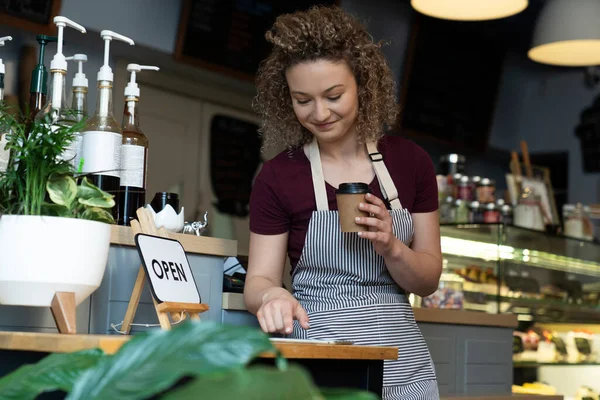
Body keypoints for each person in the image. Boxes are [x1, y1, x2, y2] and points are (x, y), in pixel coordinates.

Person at [244, 5, 442, 399]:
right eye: (303, 100)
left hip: (403, 366)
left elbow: (429, 280)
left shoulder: (411, 163)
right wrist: (272, 295)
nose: (319, 113)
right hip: (317, 362)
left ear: (362, 85)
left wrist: (392, 247)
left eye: (333, 95)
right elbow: (258, 281)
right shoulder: (278, 176)